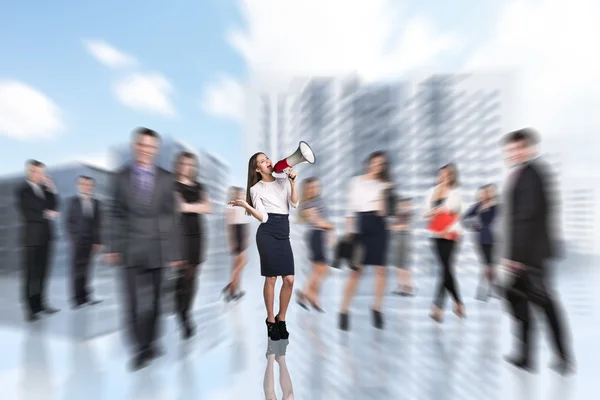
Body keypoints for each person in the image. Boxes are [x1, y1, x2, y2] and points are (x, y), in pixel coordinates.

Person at [104, 127, 184, 371]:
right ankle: (140, 348)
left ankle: (151, 342)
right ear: (134, 146)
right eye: (142, 145)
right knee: (133, 303)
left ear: (156, 150)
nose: (146, 150)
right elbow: (113, 212)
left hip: (159, 249)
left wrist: (176, 252)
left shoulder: (167, 178)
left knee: (158, 303)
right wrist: (112, 246)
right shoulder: (119, 177)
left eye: (151, 147)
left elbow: (173, 216)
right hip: (129, 250)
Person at [501, 128, 574, 375]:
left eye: (519, 148)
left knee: (544, 304)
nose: (513, 153)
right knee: (518, 300)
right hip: (527, 252)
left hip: (530, 254)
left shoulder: (532, 174)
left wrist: (516, 258)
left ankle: (563, 358)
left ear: (530, 148)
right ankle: (526, 356)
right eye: (510, 149)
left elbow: (526, 218)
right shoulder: (525, 173)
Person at [228, 152, 298, 341]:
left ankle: (281, 318)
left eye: (267, 158)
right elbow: (263, 217)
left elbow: (295, 203)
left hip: (284, 233)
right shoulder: (255, 188)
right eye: (261, 161)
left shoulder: (283, 181)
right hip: (267, 233)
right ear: (257, 169)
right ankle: (270, 320)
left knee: (289, 280)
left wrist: (292, 182)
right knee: (271, 279)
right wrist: (246, 205)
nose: (267, 161)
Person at [339, 151, 392, 331]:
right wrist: (349, 234)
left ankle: (377, 308)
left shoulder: (384, 184)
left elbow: (385, 213)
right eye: (375, 162)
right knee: (356, 271)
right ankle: (344, 310)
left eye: (381, 164)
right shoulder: (357, 181)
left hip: (379, 226)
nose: (377, 166)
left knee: (381, 270)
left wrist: (385, 194)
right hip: (361, 226)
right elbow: (350, 210)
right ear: (369, 163)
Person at [15, 160, 61, 321]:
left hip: (47, 237)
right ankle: (29, 309)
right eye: (36, 172)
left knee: (43, 273)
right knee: (30, 274)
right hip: (32, 238)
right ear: (29, 171)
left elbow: (55, 206)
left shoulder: (44, 189)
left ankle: (41, 304)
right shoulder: (22, 190)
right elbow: (28, 213)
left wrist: (52, 189)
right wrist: (46, 214)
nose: (40, 175)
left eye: (42, 172)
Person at [173, 151, 212, 339]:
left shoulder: (199, 186)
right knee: (185, 275)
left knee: (193, 276)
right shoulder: (172, 185)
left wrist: (187, 207)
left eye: (191, 164)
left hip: (197, 234)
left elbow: (208, 208)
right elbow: (174, 208)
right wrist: (196, 206)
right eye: (185, 164)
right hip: (179, 234)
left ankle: (183, 308)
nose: (188, 168)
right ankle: (184, 315)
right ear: (179, 165)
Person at [424, 163, 465, 322]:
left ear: (452, 176)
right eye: (441, 174)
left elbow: (456, 212)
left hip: (451, 233)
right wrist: (435, 211)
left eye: (447, 175)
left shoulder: (455, 192)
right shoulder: (431, 192)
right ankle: (458, 303)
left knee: (446, 269)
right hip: (436, 233)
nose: (443, 177)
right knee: (446, 269)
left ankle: (437, 307)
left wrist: (441, 213)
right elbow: (425, 213)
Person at [296, 177, 334, 312]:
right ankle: (305, 294)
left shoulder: (320, 201)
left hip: (320, 236)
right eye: (310, 188)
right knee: (323, 269)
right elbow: (319, 222)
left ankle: (314, 299)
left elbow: (324, 221)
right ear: (306, 190)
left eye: (316, 186)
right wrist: (331, 227)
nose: (314, 189)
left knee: (316, 270)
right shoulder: (308, 205)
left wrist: (329, 230)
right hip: (315, 236)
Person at [65, 175, 103, 308]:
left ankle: (86, 297)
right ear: (79, 185)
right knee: (76, 270)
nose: (87, 187)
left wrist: (98, 241)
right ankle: (76, 299)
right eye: (84, 184)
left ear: (92, 187)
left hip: (91, 242)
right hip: (78, 242)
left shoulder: (97, 203)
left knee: (87, 270)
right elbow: (68, 222)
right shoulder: (72, 202)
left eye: (89, 185)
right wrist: (73, 239)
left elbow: (99, 224)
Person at [462, 184, 499, 301]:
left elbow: (496, 220)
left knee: (492, 265)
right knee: (487, 265)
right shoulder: (476, 207)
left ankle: (489, 290)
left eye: (487, 192)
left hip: (496, 240)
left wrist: (479, 220)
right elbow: (464, 221)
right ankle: (484, 291)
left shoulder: (497, 207)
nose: (484, 195)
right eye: (482, 193)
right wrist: (478, 222)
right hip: (481, 240)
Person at [223, 186, 250, 302]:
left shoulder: (243, 207)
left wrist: (247, 238)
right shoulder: (231, 206)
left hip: (242, 234)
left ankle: (234, 290)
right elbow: (229, 227)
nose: (239, 196)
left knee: (236, 265)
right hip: (236, 236)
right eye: (237, 194)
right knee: (242, 261)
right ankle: (231, 286)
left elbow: (245, 223)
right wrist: (231, 243)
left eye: (241, 194)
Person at [390, 198, 416, 296]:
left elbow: (402, 226)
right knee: (399, 263)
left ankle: (407, 286)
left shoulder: (407, 215)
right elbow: (394, 226)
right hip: (398, 237)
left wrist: (397, 226)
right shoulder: (398, 215)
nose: (403, 207)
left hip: (404, 237)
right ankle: (401, 286)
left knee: (404, 263)